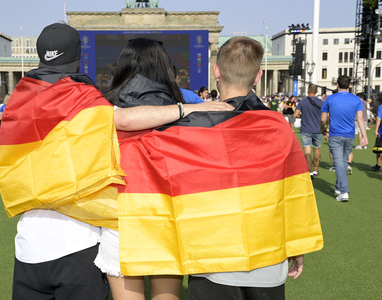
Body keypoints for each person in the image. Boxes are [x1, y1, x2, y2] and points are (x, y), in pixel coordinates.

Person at [0, 23, 231, 300]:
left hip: (36, 240)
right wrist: (188, 108)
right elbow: (124, 119)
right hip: (94, 235)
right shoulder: (79, 96)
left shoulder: (20, 97)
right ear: (77, 57)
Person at [110, 36, 322, 300]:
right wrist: (296, 245)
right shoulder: (279, 126)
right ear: (258, 76)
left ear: (216, 70)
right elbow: (293, 192)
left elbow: (135, 153)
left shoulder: (185, 130)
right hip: (269, 259)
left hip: (210, 261)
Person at [320, 75, 368, 202]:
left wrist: (322, 129)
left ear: (337, 84)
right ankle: (338, 187)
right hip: (349, 136)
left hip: (335, 135)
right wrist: (364, 137)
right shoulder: (356, 100)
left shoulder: (330, 98)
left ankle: (344, 191)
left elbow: (323, 119)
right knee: (342, 163)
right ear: (350, 85)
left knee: (339, 164)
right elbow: (360, 119)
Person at [293, 84, 323, 177]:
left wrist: (301, 115)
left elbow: (295, 115)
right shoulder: (321, 102)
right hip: (318, 129)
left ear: (307, 90)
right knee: (317, 150)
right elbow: (325, 116)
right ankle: (315, 170)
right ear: (317, 91)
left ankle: (309, 171)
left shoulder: (303, 102)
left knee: (307, 151)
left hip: (306, 129)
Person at [371, 98, 382, 172]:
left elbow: (379, 118)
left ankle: (378, 166)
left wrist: (376, 130)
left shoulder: (381, 107)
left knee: (379, 148)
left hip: (381, 132)